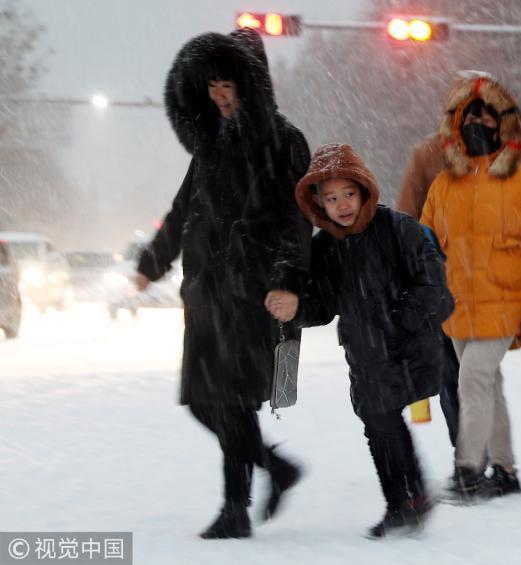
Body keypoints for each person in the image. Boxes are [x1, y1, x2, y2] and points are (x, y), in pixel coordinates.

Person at [135, 28, 310, 539]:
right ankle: (276, 470)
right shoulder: (209, 146)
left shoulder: (283, 141)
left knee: (232, 402)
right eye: (211, 86)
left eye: (227, 85)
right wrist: (153, 260)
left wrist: (287, 281)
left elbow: (296, 222)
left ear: (251, 85)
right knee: (204, 401)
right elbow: (182, 211)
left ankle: (235, 509)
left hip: (252, 294)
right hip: (205, 295)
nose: (218, 96)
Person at [269, 143, 450, 538]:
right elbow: (323, 304)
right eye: (331, 198)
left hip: (404, 345)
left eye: (348, 194)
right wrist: (295, 308)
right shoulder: (326, 248)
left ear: (364, 190)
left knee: (383, 418)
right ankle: (404, 501)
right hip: (364, 352)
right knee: (377, 422)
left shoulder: (395, 228)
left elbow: (432, 280)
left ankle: (410, 500)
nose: (342, 205)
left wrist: (401, 320)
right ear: (319, 203)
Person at [420, 74, 521, 500]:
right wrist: (421, 291)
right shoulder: (444, 184)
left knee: (472, 378)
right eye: (468, 117)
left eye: (486, 117)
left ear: (503, 126)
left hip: (505, 300)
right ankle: (505, 469)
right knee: (488, 383)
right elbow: (424, 243)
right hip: (457, 303)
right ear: (455, 125)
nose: (476, 124)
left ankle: (468, 468)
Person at [396, 132, 461, 448]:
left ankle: (475, 456)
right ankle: (468, 456)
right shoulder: (428, 153)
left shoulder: (498, 153)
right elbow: (407, 217)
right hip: (442, 279)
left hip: (479, 285)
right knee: (454, 373)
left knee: (467, 376)